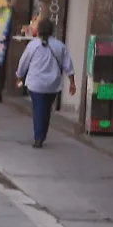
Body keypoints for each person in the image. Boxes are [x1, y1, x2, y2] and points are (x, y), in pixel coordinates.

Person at [14, 18, 77, 148]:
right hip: (53, 85)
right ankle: (42, 134)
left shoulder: (33, 45)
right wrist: (72, 82)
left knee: (38, 109)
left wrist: (19, 77)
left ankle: (39, 137)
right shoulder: (60, 46)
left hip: (36, 84)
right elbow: (68, 65)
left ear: (39, 30)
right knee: (46, 110)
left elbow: (23, 63)